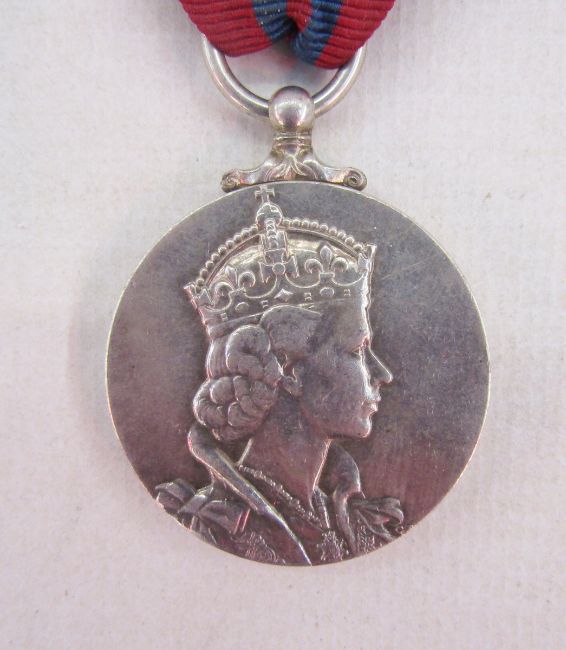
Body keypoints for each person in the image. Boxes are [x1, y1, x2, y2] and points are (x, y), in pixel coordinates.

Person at [156, 190, 403, 565]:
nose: (383, 374)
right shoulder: (213, 527)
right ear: (291, 373)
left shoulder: (354, 521)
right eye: (356, 350)